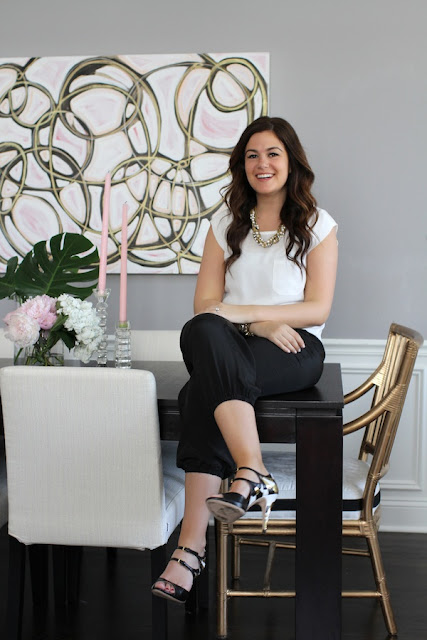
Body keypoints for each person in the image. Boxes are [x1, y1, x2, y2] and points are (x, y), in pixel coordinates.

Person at [151, 116, 338, 604]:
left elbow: (317, 308)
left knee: (201, 390)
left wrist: (253, 317)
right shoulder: (224, 225)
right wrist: (258, 326)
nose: (262, 164)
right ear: (242, 166)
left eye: (273, 153)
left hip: (297, 351)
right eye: (252, 155)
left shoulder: (318, 225)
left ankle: (189, 549)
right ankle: (251, 470)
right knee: (201, 333)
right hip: (233, 346)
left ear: (291, 162)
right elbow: (205, 307)